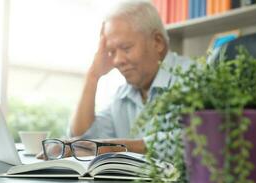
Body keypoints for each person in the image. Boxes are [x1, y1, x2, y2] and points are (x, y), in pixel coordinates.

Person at [37, 0, 191, 159]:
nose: (117, 60)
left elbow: (196, 141)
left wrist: (113, 147)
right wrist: (93, 76)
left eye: (126, 48)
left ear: (157, 42)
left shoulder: (197, 78)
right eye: (111, 52)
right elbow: (83, 137)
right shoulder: (122, 95)